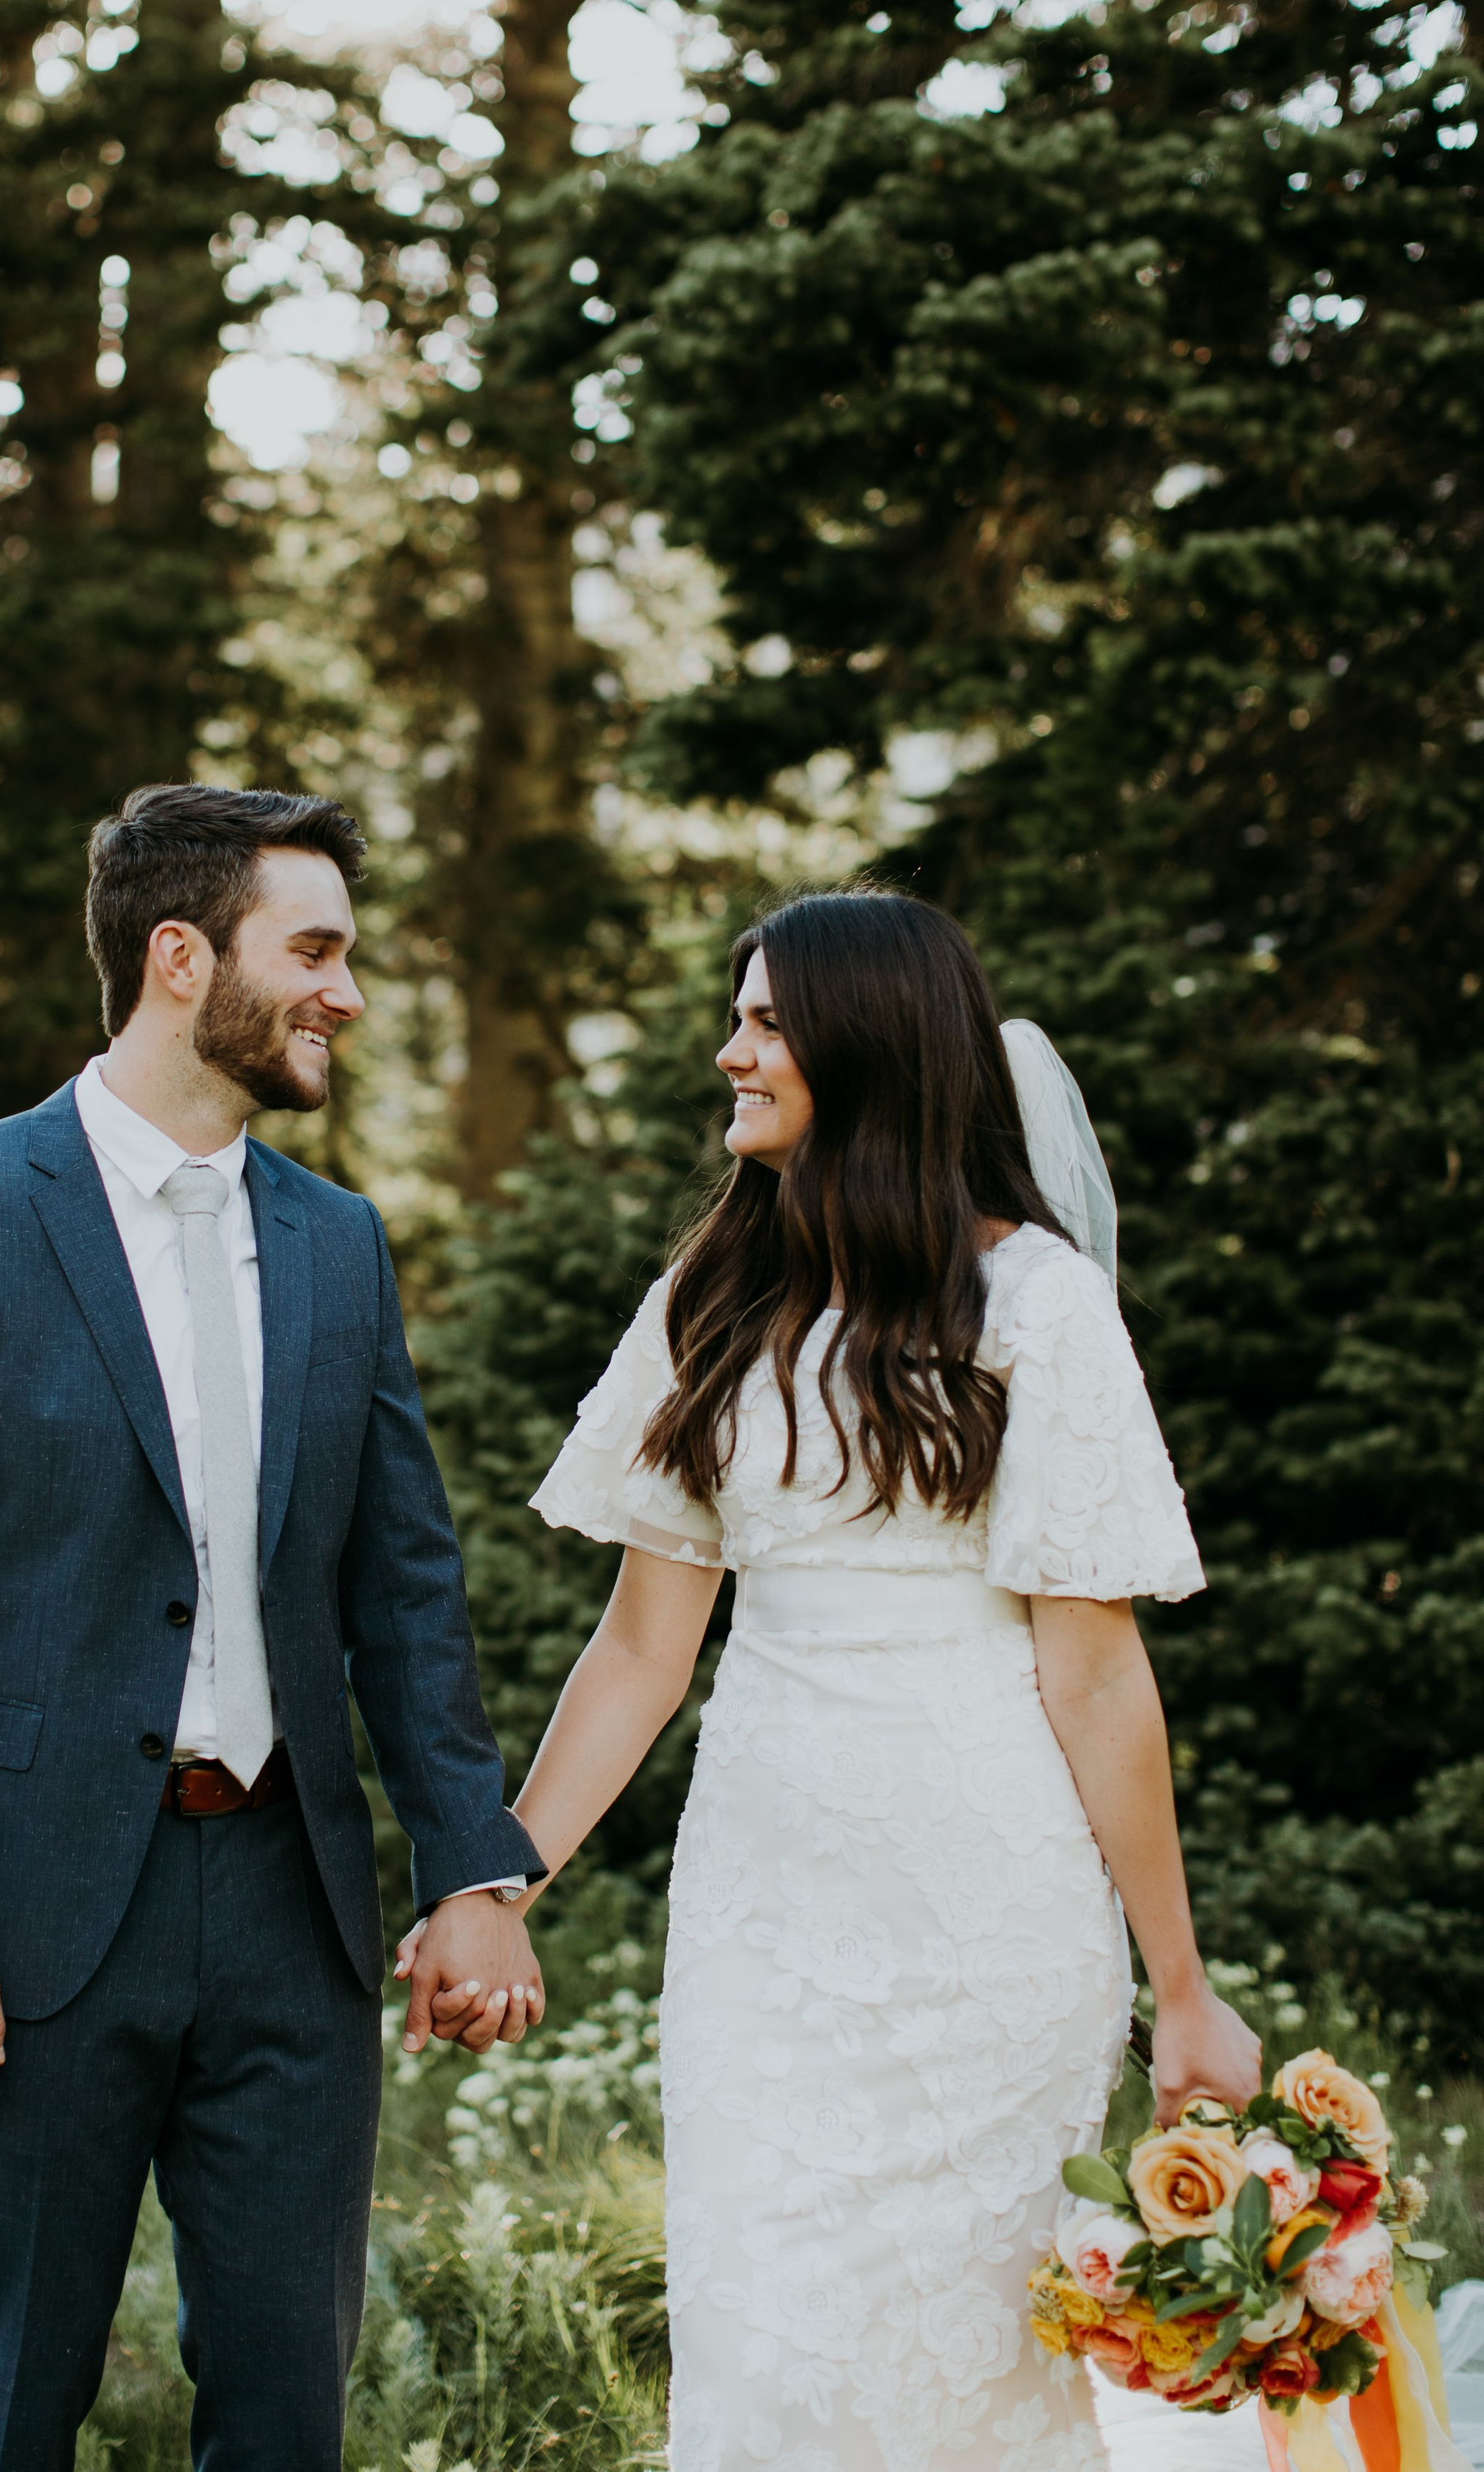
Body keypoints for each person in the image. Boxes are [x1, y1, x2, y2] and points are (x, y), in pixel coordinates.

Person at [415, 888, 1262, 2472]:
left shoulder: (1035, 1309)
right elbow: (642, 1649)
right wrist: (496, 1880)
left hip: (988, 1920)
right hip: (764, 1911)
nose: (729, 1051)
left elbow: (1093, 1682)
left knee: (971, 2360)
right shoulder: (710, 1299)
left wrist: (1183, 1988)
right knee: (763, 2340)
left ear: (865, 1047)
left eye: (764, 1021)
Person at [0, 782, 545, 2472]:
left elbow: (402, 1592)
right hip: (35, 1919)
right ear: (176, 958)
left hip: (295, 1920)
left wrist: (469, 1871)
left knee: (289, 2410)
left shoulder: (338, 1243)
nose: (343, 995)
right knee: (13, 2412)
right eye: (313, 952)